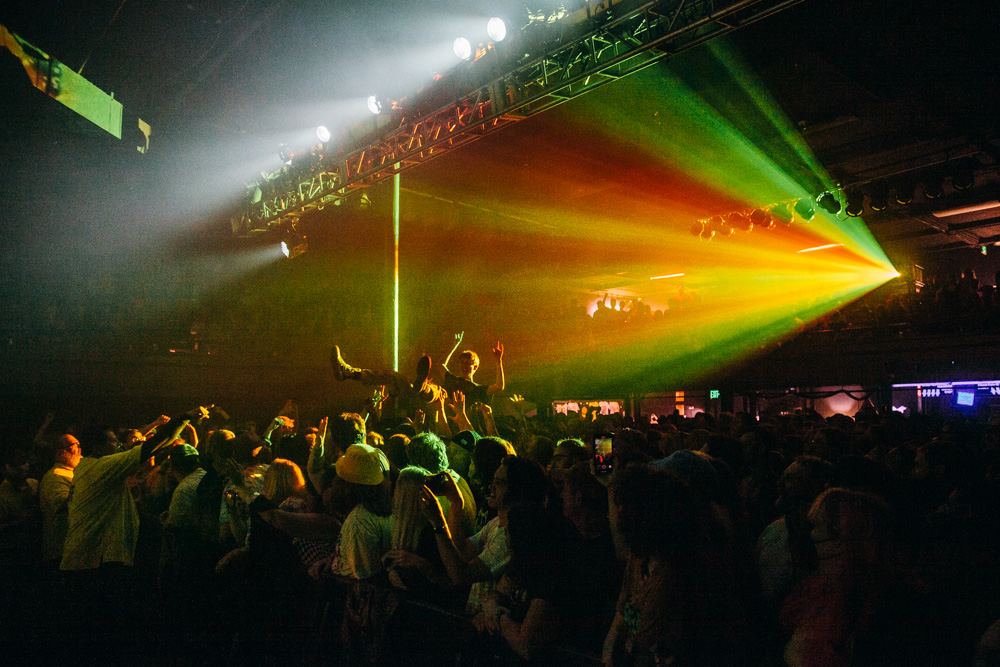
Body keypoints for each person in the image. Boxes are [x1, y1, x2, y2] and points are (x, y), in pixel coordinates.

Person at [331, 345, 446, 415]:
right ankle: (347, 372)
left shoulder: (458, 383)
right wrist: (392, 394)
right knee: (393, 376)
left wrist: (456, 345)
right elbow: (441, 364)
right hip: (413, 399)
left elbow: (441, 365)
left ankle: (348, 373)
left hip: (439, 405)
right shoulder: (410, 376)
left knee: (439, 392)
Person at [39, 435, 82, 566]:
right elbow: (63, 506)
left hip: (73, 550)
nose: (80, 450)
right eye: (75, 445)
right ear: (60, 452)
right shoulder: (56, 476)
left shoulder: (69, 473)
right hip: (62, 552)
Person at [442, 331, 505, 407]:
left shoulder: (477, 389)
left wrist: (499, 362)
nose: (464, 366)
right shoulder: (453, 380)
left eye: (467, 363)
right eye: (462, 362)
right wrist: (454, 346)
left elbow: (499, 386)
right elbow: (440, 365)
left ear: (475, 367)